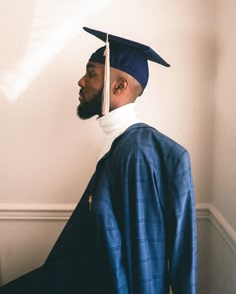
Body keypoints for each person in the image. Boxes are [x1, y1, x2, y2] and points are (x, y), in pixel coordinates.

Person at [0, 27, 197, 294]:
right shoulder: (119, 143)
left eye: (91, 73)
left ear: (119, 86)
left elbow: (141, 257)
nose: (81, 81)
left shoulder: (137, 153)